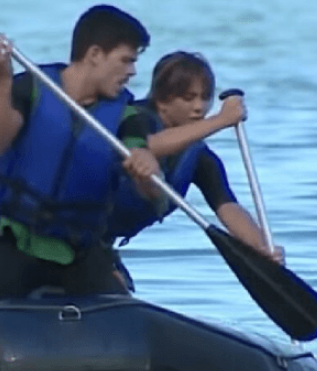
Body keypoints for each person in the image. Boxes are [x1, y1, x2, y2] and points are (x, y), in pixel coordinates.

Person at [0, 5, 161, 313]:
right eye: (126, 60)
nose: (132, 71)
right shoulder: (31, 87)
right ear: (94, 54)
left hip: (81, 251)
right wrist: (1, 79)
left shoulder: (127, 116)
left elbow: (141, 156)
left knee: (128, 321)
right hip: (19, 242)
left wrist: (147, 169)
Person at [109, 51, 285, 265]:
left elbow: (227, 206)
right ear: (162, 100)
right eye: (188, 98)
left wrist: (262, 247)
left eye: (205, 97)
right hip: (80, 226)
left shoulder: (197, 156)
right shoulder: (135, 118)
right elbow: (149, 146)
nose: (199, 107)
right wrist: (221, 120)